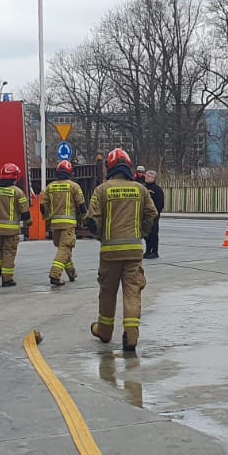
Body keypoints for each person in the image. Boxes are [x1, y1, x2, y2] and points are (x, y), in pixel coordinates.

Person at [85, 148, 157, 352]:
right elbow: (151, 215)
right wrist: (141, 233)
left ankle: (105, 332)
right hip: (134, 251)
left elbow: (92, 221)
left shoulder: (102, 190)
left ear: (109, 167)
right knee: (132, 292)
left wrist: (101, 236)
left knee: (107, 293)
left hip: (110, 252)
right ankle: (131, 336)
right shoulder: (140, 190)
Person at [41, 160, 86, 286]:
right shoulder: (74, 186)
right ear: (70, 172)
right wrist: (85, 218)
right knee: (65, 249)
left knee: (63, 249)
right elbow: (81, 205)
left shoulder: (49, 187)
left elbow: (43, 207)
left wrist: (47, 219)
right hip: (68, 224)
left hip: (55, 224)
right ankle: (55, 275)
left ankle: (71, 273)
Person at [0, 163, 31, 287]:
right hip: (11, 231)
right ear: (15, 176)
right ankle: (7, 279)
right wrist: (29, 221)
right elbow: (25, 211)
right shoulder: (17, 192)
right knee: (9, 252)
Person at [141, 170, 165, 259]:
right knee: (146, 234)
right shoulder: (143, 188)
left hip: (153, 215)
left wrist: (156, 213)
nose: (146, 177)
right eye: (146, 175)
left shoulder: (157, 189)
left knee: (153, 233)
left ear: (153, 178)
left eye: (148, 176)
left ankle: (155, 251)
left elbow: (160, 203)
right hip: (144, 215)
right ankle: (148, 251)